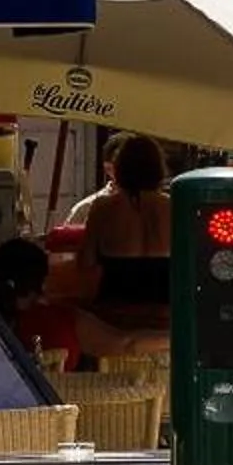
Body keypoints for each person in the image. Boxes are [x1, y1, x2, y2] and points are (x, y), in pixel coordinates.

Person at [72, 132, 173, 359]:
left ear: (120, 169)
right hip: (164, 318)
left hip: (114, 318)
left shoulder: (102, 207)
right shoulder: (173, 208)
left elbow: (85, 263)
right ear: (158, 169)